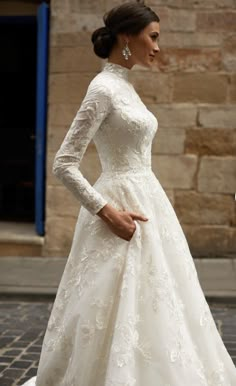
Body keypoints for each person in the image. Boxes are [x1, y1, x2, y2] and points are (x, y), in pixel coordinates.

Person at [21, 1, 236, 385]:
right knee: (112, 302)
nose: (157, 46)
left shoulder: (124, 85)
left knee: (158, 298)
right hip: (118, 207)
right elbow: (63, 162)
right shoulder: (103, 88)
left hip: (146, 199)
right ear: (126, 37)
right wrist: (106, 211)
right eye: (152, 36)